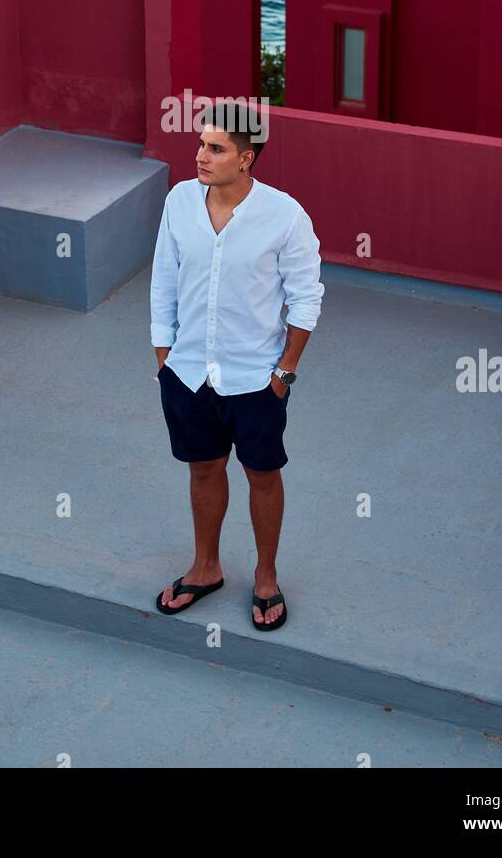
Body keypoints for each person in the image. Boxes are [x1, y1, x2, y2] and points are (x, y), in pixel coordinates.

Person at [149, 101, 324, 630]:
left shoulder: (285, 216)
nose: (200, 155)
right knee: (202, 470)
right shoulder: (180, 201)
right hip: (187, 375)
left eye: (215, 148)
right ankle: (206, 568)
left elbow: (307, 298)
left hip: (256, 381)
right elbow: (163, 279)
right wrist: (164, 357)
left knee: (262, 476)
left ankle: (266, 578)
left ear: (246, 158)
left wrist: (284, 373)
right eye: (201, 144)